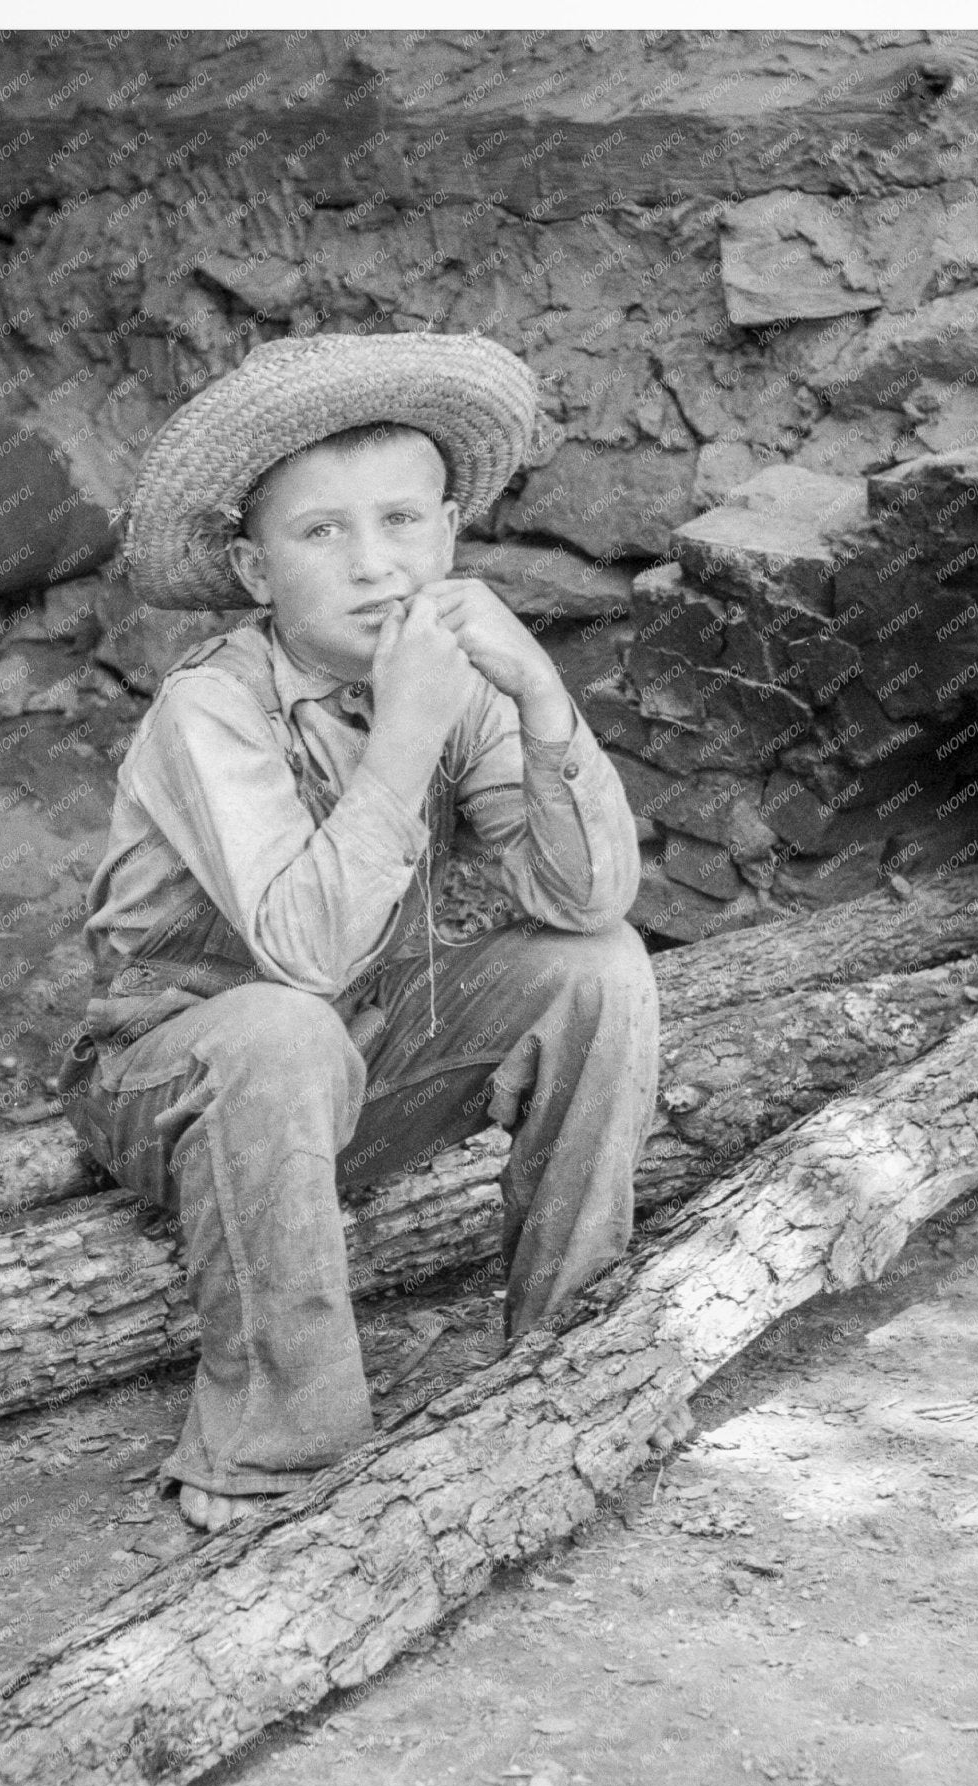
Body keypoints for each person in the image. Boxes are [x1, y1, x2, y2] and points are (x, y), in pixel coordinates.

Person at [64, 330, 659, 1531]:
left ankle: (571, 1360)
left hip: (362, 1050)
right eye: (320, 532)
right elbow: (302, 958)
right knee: (282, 1030)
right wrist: (403, 734)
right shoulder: (211, 708)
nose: (373, 564)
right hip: (181, 1071)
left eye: (401, 521)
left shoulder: (458, 678)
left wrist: (540, 698)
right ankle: (282, 1454)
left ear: (447, 536)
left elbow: (586, 899)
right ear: (251, 567)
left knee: (598, 971)